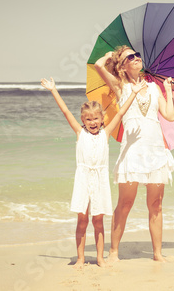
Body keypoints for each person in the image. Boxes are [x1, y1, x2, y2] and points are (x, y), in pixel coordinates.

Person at [40, 76, 146, 268]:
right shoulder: (80, 133)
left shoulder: (105, 134)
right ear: (83, 120)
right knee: (82, 221)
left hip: (100, 180)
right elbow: (65, 111)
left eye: (96, 118)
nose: (92, 122)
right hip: (83, 179)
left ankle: (99, 259)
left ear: (102, 118)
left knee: (98, 221)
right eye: (88, 119)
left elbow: (121, 113)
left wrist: (134, 93)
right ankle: (80, 259)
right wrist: (53, 89)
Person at [94, 46, 174, 262]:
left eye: (137, 55)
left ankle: (157, 253)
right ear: (122, 66)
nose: (137, 58)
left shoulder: (153, 88)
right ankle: (113, 251)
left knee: (156, 205)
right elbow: (98, 66)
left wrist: (168, 90)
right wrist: (110, 57)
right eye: (130, 57)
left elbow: (168, 115)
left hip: (156, 150)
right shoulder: (120, 86)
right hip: (132, 152)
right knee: (125, 204)